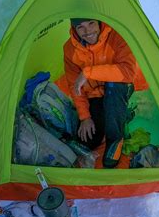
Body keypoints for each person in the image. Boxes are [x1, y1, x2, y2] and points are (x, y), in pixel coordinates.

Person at [63, 18, 148, 168]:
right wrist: (85, 117)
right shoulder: (70, 49)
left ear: (99, 23)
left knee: (113, 86)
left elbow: (127, 72)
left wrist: (88, 73)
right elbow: (75, 86)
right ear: (74, 28)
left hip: (120, 88)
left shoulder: (117, 36)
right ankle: (120, 115)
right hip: (95, 95)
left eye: (91, 24)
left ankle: (115, 139)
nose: (88, 32)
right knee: (87, 141)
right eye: (80, 27)